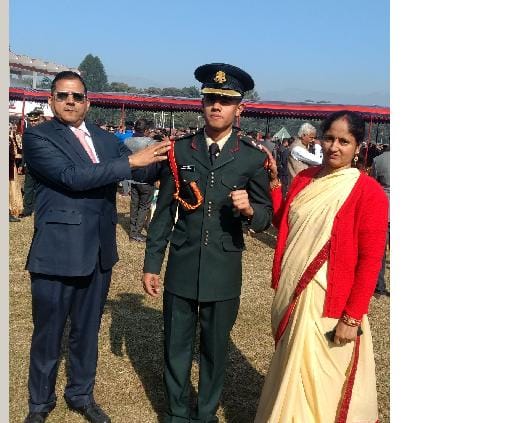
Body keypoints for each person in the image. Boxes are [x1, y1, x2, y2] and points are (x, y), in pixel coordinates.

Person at [22, 71, 170, 423]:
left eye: (77, 96)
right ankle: (39, 404)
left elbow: (141, 172)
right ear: (51, 100)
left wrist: (174, 158)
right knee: (48, 334)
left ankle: (81, 394)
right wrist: (131, 161)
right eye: (63, 95)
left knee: (87, 332)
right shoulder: (38, 136)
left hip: (99, 252)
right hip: (57, 252)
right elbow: (72, 177)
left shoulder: (105, 139)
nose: (70, 101)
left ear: (87, 102)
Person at [142, 63, 273, 423]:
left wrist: (250, 211)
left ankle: (205, 414)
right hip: (182, 264)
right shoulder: (180, 151)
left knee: (215, 350)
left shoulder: (252, 157)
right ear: (201, 103)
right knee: (176, 345)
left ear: (239, 109)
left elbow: (266, 216)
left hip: (223, 269)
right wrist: (152, 264)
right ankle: (176, 413)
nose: (216, 106)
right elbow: (164, 212)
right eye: (211, 98)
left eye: (225, 101)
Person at [255, 111, 388, 423]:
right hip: (293, 294)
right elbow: (283, 223)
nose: (334, 147)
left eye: (344, 141)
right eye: (329, 138)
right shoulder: (305, 179)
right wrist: (274, 183)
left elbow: (371, 261)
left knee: (323, 383)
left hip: (330, 302)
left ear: (358, 147)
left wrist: (352, 318)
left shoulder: (368, 192)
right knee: (292, 368)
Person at [124, 118, 157, 242]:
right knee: (144, 206)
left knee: (134, 204)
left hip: (132, 177)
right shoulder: (150, 142)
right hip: (146, 178)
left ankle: (132, 230)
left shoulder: (127, 141)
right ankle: (136, 233)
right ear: (146, 130)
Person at [371, 145, 390, 297]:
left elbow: (373, 185)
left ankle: (379, 284)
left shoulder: (379, 160)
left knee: (380, 249)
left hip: (385, 208)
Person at [20, 109, 46, 218]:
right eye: (31, 121)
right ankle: (27, 209)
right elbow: (25, 150)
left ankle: (40, 207)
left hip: (43, 164)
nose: (33, 123)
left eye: (35, 120)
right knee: (28, 187)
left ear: (40, 119)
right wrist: (22, 164)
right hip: (30, 165)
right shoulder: (27, 132)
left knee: (42, 187)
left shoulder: (46, 132)